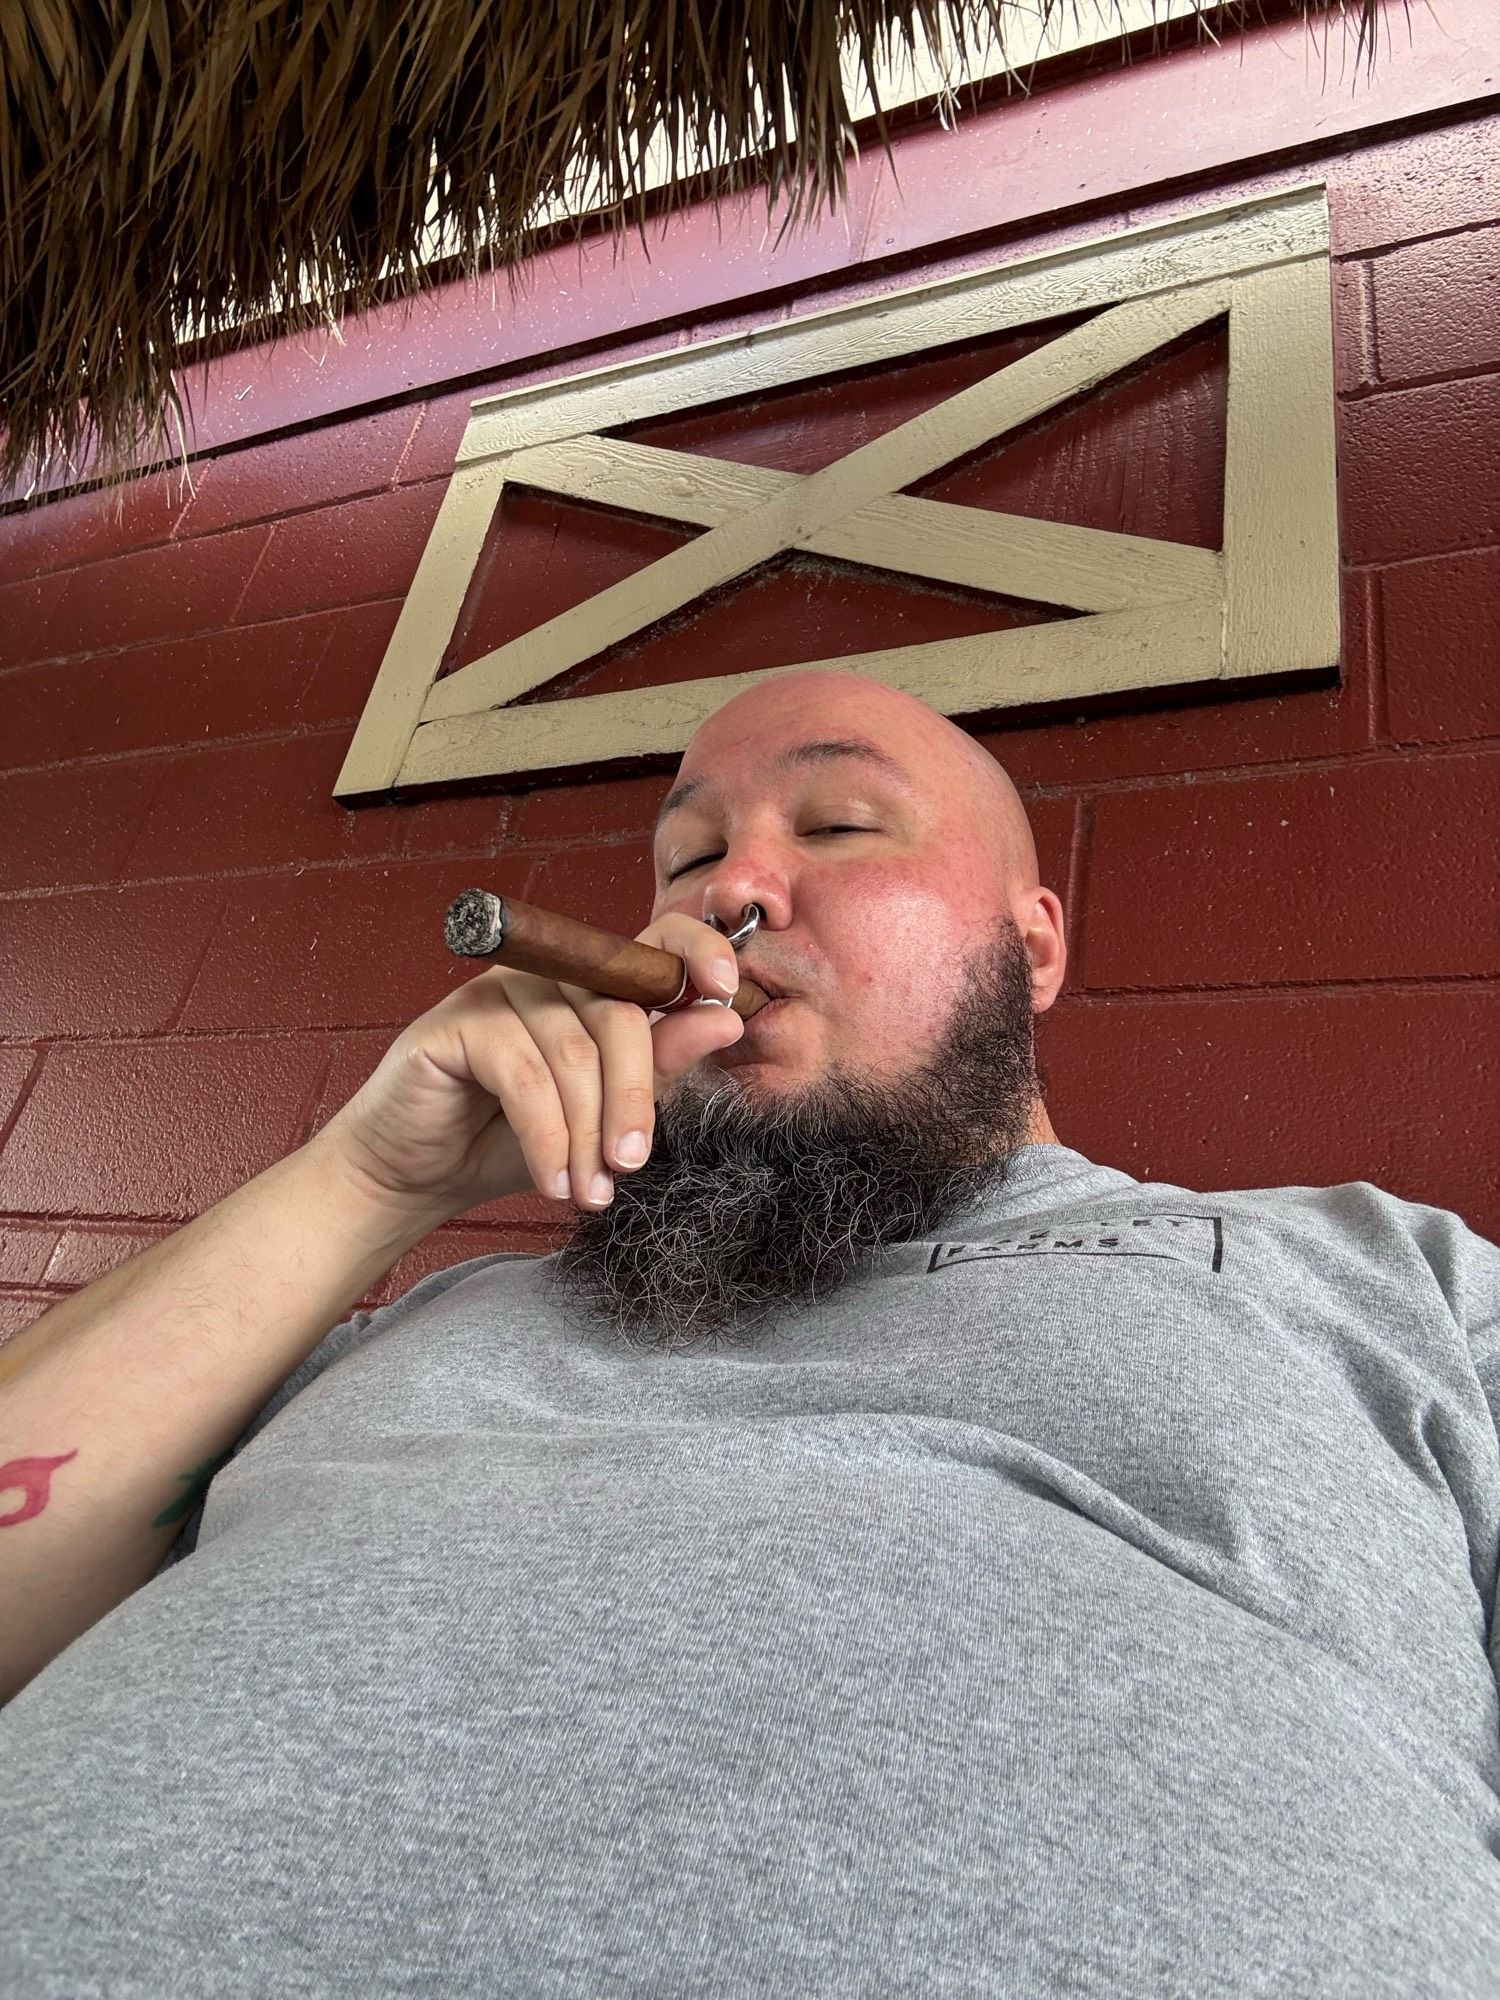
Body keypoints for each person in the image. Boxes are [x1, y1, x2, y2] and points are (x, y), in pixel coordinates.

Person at [2, 664, 1497, 1999]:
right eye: (689, 855)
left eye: (839, 826)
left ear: (1032, 946)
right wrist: (365, 1181)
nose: (734, 893)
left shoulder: (1380, 1272)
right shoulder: (437, 1313)